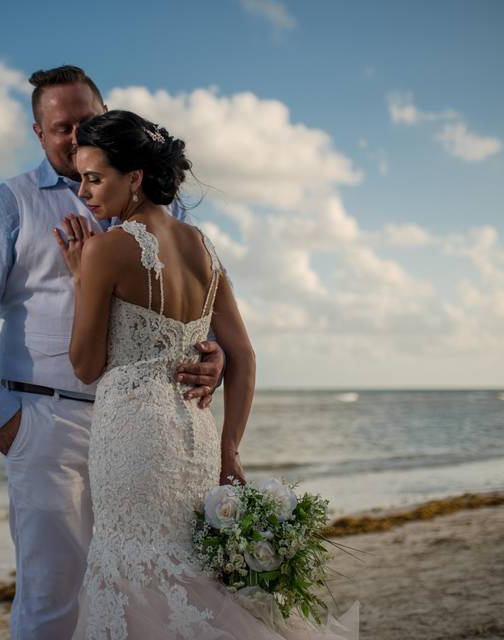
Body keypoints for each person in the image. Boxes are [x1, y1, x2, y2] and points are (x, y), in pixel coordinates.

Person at [0, 66, 225, 640]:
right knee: (53, 598)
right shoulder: (6, 205)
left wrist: (213, 356)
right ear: (38, 133)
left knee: (146, 592)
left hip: (149, 434)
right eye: (60, 127)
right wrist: (1, 418)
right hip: (49, 424)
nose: (73, 137)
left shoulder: (161, 210)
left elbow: (195, 308)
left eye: (85, 122)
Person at [58, 110, 359, 639]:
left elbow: (85, 366)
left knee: (133, 571)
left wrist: (81, 276)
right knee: (188, 568)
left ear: (135, 178)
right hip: (194, 436)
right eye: (80, 177)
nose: (83, 191)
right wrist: (231, 450)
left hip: (132, 441)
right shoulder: (203, 248)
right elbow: (243, 355)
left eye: (94, 177)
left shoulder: (105, 249)